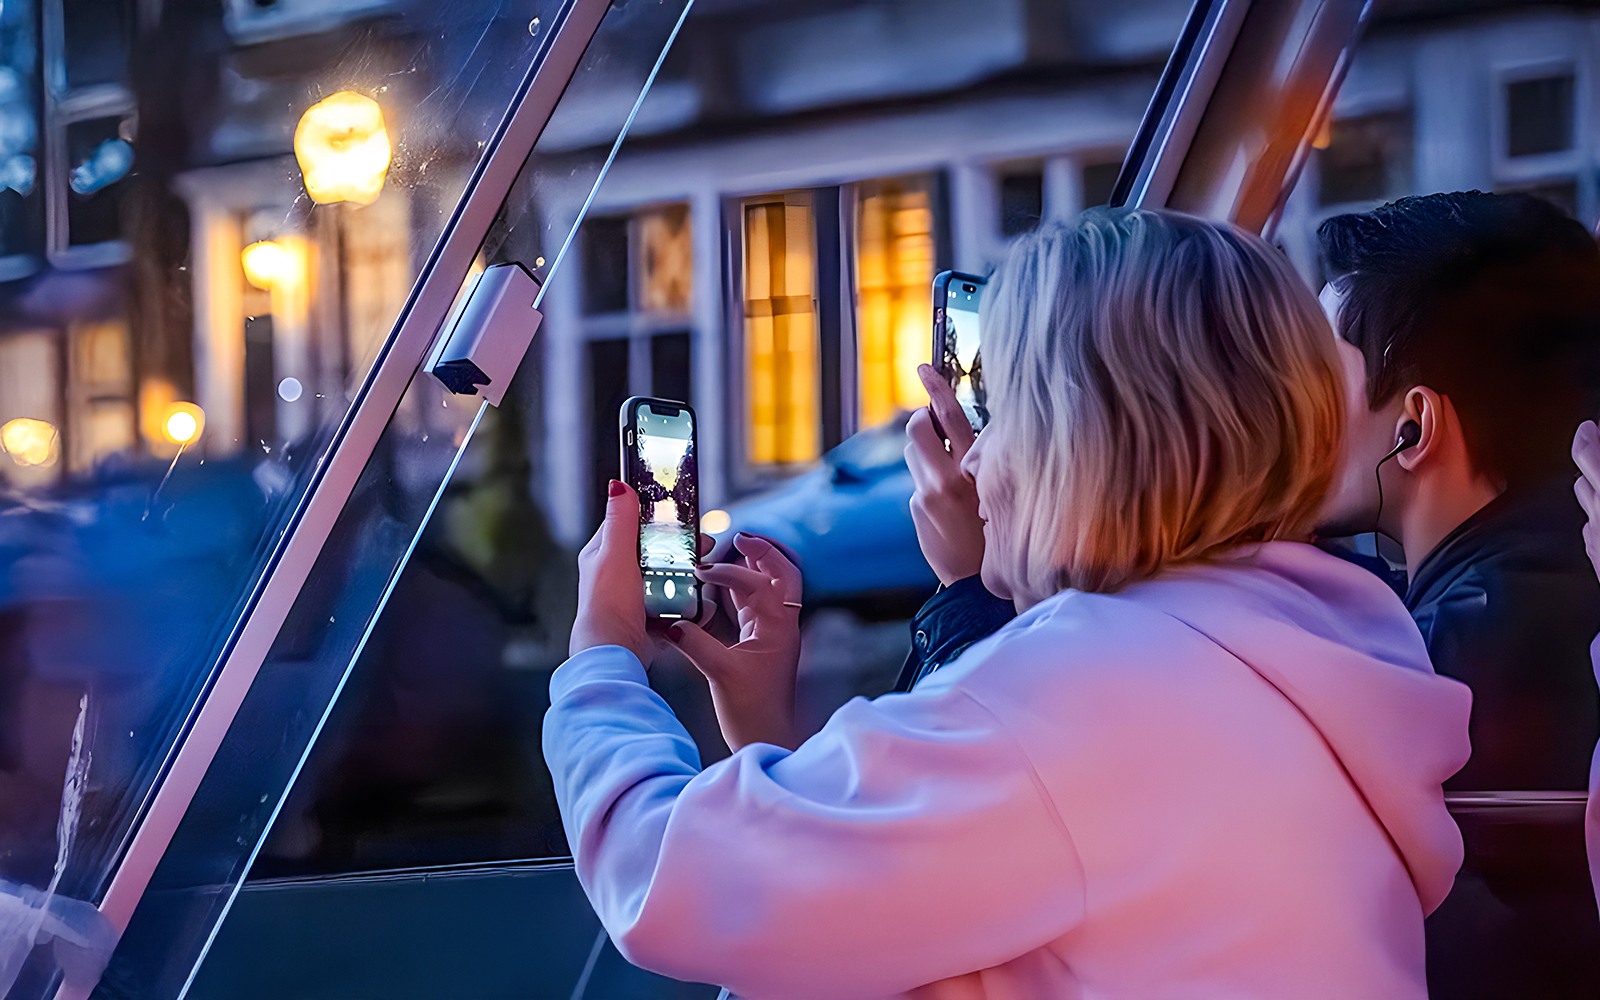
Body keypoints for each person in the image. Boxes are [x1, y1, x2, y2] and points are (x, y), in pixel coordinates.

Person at [543, 209, 1470, 999]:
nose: (974, 461)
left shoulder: (1089, 691)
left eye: (1004, 414)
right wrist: (766, 738)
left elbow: (664, 876)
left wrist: (601, 657)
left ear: (1081, 434)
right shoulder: (1328, 643)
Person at [1313, 193, 1600, 998]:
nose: (1286, 410)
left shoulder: (1442, 672)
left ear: (1415, 425)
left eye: (1317, 375)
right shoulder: (1558, 580)